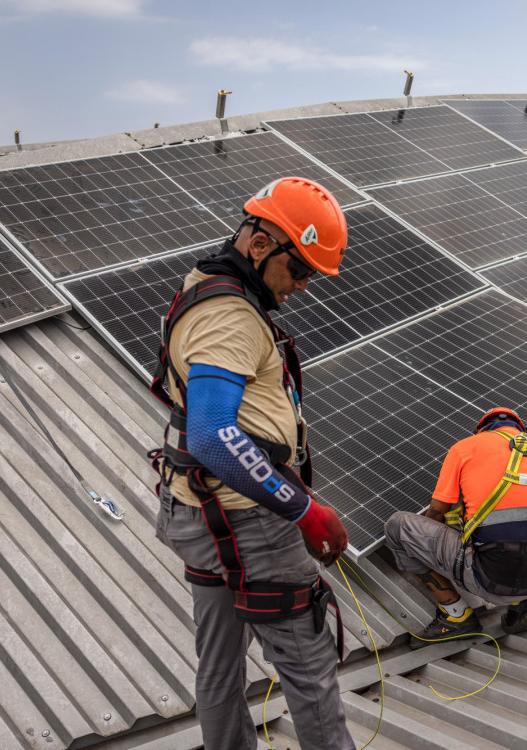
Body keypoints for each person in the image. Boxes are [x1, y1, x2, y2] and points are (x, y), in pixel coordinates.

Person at [150, 176, 355, 749]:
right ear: (261, 246)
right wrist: (305, 510)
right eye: (301, 271)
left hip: (203, 514)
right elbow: (213, 436)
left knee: (218, 667)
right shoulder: (229, 316)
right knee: (309, 673)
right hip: (251, 521)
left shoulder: (207, 289)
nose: (305, 286)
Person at [384, 408, 527, 649]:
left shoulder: (465, 447)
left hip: (492, 581)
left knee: (397, 527)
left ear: (482, 429)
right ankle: (524, 602)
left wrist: (432, 543)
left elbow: (436, 512)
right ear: (520, 430)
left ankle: (456, 615)